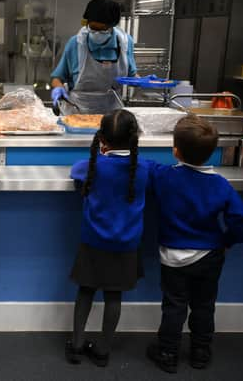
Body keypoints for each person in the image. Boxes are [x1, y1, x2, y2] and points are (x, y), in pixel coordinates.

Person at [146, 114, 243, 374]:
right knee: (204, 305)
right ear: (212, 151)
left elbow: (144, 165)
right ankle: (200, 351)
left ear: (176, 150)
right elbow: (240, 217)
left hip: (173, 256)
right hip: (210, 255)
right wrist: (228, 240)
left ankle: (168, 351)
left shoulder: (164, 177)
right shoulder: (220, 184)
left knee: (174, 306)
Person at [67, 109, 150, 367]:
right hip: (126, 244)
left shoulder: (93, 166)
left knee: (85, 291)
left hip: (93, 241)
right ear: (135, 137)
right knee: (114, 296)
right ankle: (103, 350)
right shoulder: (143, 169)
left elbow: (76, 171)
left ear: (101, 138)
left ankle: (77, 344)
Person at [51, 0, 137, 115]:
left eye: (102, 29)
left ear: (112, 26)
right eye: (93, 28)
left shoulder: (125, 43)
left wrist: (146, 82)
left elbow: (132, 77)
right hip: (77, 112)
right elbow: (57, 78)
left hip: (112, 116)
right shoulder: (76, 43)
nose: (97, 33)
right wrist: (58, 88)